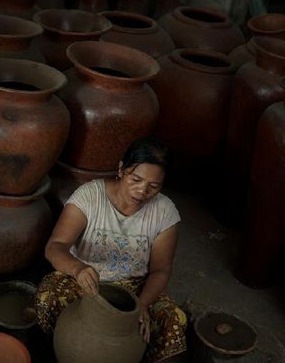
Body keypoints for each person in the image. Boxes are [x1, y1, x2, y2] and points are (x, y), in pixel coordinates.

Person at [34, 137, 187, 362]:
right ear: (121, 169)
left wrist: (141, 306)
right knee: (47, 295)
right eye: (136, 179)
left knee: (174, 319)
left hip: (135, 288)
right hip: (84, 281)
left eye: (154, 186)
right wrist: (77, 269)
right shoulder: (89, 196)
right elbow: (55, 247)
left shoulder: (165, 213)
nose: (142, 191)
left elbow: (161, 270)